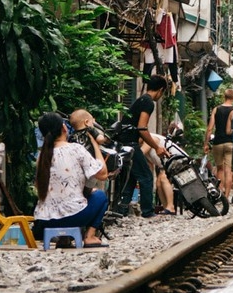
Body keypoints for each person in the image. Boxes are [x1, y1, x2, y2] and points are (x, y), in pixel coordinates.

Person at [32, 112, 109, 247]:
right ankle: (89, 237)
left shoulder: (41, 157)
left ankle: (64, 240)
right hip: (72, 217)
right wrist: (94, 143)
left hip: (45, 220)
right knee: (100, 196)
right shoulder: (75, 149)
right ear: (64, 128)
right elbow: (103, 174)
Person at [115, 75, 169, 217]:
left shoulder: (141, 100)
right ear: (161, 90)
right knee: (146, 176)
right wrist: (156, 147)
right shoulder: (148, 102)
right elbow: (142, 128)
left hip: (124, 142)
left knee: (133, 177)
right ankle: (148, 212)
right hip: (130, 144)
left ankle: (121, 210)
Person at [204, 88, 233, 202]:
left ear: (224, 96)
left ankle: (219, 194)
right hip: (230, 143)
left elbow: (210, 129)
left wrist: (206, 143)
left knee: (220, 169)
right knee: (229, 170)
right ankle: (226, 197)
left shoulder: (216, 109)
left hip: (218, 142)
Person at [69, 108, 108, 193]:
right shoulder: (90, 130)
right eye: (92, 122)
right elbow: (100, 140)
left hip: (78, 166)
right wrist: (107, 138)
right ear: (86, 122)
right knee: (92, 180)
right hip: (90, 164)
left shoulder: (72, 136)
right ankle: (88, 192)